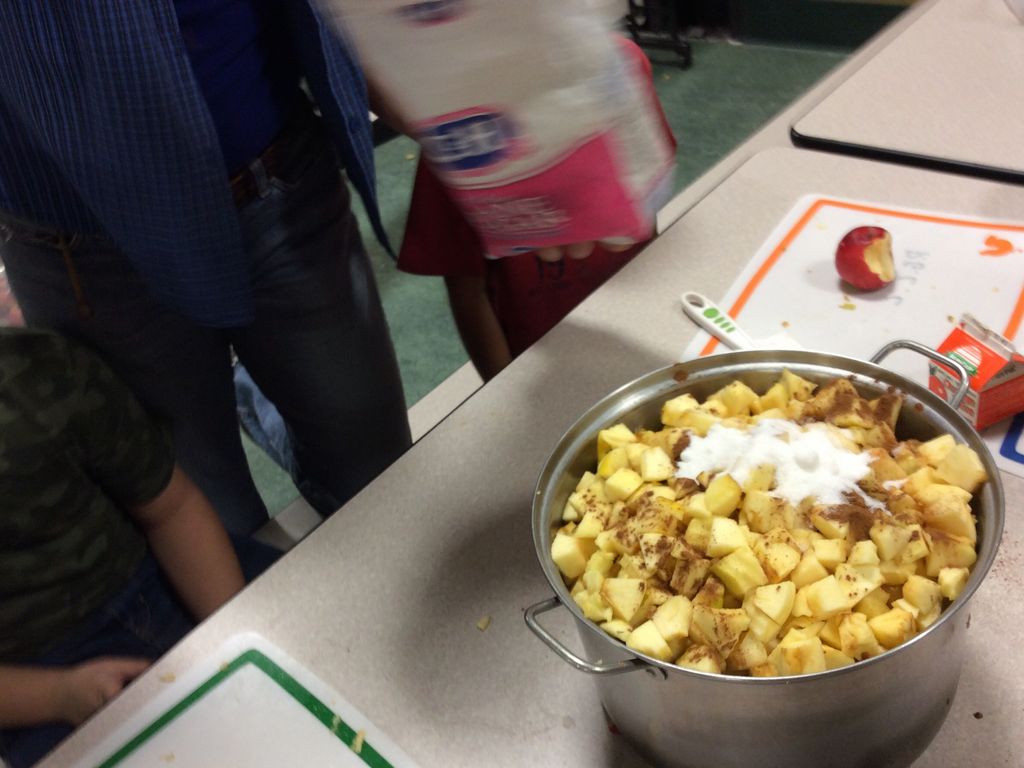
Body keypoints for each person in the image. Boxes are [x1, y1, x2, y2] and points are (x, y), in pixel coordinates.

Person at [0, 1, 412, 534]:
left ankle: (252, 393)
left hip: (277, 177)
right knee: (212, 531)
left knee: (381, 483)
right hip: (89, 246)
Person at [0, 326, 280, 768]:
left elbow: (171, 509)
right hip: (34, 677)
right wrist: (60, 695)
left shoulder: (38, 369)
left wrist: (237, 630)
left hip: (155, 568)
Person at [397, 38, 677, 380]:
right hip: (537, 356)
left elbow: (646, 209)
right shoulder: (457, 135)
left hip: (633, 329)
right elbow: (467, 291)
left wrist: (660, 317)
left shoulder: (620, 65)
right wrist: (503, 385)